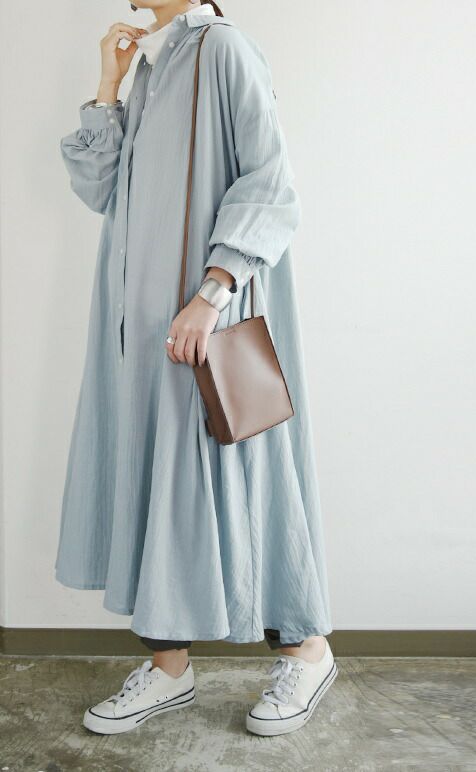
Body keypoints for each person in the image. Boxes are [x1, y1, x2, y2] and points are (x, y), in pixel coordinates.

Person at [55, 0, 336, 737]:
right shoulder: (156, 66)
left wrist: (211, 295)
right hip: (140, 333)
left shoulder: (224, 50)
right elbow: (100, 190)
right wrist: (109, 86)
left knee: (244, 471)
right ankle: (170, 667)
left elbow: (271, 184)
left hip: (204, 321)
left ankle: (307, 651)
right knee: (159, 480)